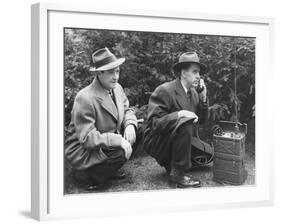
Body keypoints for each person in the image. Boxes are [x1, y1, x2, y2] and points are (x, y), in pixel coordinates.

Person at [65, 47, 137, 190]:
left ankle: (107, 170)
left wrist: (129, 125)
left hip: (106, 141)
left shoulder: (117, 88)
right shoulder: (85, 97)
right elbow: (88, 139)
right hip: (84, 149)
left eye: (117, 71)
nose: (116, 76)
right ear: (99, 73)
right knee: (120, 154)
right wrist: (118, 140)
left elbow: (127, 110)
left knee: (138, 132)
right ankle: (86, 175)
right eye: (111, 72)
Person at [143, 52, 210, 188]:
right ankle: (177, 174)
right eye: (195, 72)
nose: (199, 76)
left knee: (209, 154)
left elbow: (201, 122)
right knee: (184, 122)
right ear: (183, 73)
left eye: (199, 73)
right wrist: (179, 114)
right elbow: (154, 124)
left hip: (178, 138)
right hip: (157, 140)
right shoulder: (165, 90)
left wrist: (203, 99)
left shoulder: (195, 94)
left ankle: (176, 164)